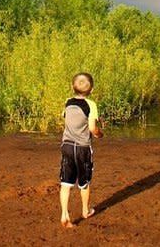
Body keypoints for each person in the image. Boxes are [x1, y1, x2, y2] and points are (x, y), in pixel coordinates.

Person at [59, 72, 103, 229]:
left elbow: (66, 118)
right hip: (83, 148)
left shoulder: (67, 102)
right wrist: (99, 134)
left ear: (72, 87)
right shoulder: (91, 105)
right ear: (91, 90)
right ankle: (85, 210)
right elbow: (92, 128)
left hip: (67, 146)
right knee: (84, 182)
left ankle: (64, 215)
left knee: (66, 182)